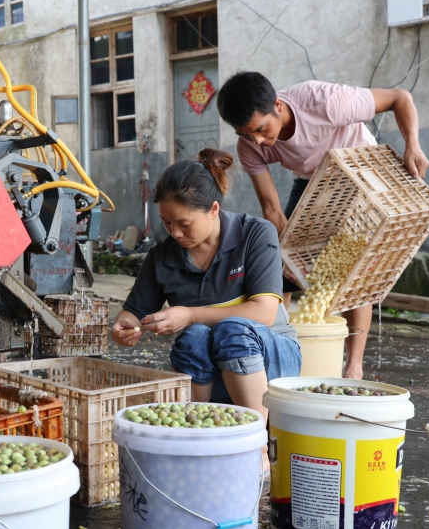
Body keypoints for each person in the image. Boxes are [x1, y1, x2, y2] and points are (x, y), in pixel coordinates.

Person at [216, 72, 429, 380]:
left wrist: (413, 145)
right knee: (276, 266)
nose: (259, 141)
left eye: (262, 129)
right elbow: (272, 208)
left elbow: (400, 97)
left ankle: (353, 368)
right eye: (248, 134)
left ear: (277, 105)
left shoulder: (323, 102)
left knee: (353, 271)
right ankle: (280, 347)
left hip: (362, 167)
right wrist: (288, 253)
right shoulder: (248, 146)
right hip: (315, 182)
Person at [110, 148, 301, 444]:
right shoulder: (162, 256)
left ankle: (257, 444)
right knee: (193, 337)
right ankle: (196, 437)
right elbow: (132, 312)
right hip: (210, 369)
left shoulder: (255, 234)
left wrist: (188, 314)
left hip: (270, 363)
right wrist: (124, 326)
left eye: (184, 223)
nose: (174, 232)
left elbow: (264, 313)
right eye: (167, 223)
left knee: (231, 330)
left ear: (213, 210)